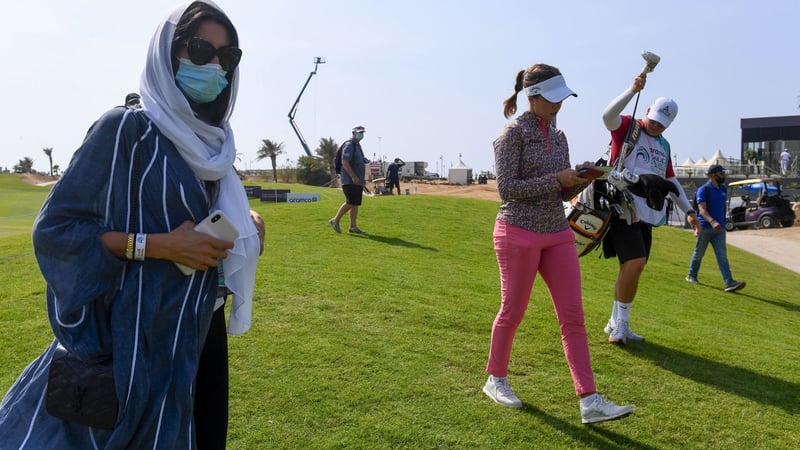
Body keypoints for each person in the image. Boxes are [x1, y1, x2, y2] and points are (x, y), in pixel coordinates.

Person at [0, 1, 261, 448]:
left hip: (200, 331)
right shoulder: (125, 129)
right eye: (200, 50)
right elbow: (56, 231)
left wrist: (248, 225)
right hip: (133, 341)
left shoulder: (214, 144)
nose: (215, 65)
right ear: (168, 52)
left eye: (227, 57)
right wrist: (157, 246)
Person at [483, 63, 633, 424]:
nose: (558, 106)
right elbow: (507, 190)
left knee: (573, 316)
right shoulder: (511, 135)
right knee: (513, 311)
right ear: (531, 98)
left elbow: (562, 189)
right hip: (517, 232)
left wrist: (582, 179)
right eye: (552, 100)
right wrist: (556, 178)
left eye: (561, 100)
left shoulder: (559, 135)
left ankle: (589, 399)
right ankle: (496, 379)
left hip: (558, 233)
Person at [600, 72, 700, 345]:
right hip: (623, 206)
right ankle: (621, 324)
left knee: (631, 267)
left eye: (663, 123)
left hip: (649, 211)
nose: (656, 125)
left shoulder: (664, 145)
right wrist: (632, 90)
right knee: (635, 262)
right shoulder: (629, 127)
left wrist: (689, 211)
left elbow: (670, 180)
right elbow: (608, 116)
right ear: (647, 111)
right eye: (655, 119)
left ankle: (616, 322)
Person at [685, 165, 746, 292]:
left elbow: (722, 206)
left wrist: (723, 221)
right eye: (721, 174)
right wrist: (713, 222)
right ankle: (691, 275)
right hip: (706, 227)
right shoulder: (704, 190)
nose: (724, 176)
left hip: (720, 229)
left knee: (722, 256)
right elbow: (702, 210)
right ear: (713, 175)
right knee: (699, 253)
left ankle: (729, 282)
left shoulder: (723, 189)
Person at [329, 125, 370, 234]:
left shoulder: (357, 145)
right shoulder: (349, 145)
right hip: (349, 180)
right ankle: (335, 220)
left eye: (362, 132)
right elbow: (345, 162)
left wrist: (361, 179)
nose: (361, 134)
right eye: (359, 132)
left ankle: (353, 226)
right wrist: (353, 176)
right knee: (351, 202)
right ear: (353, 133)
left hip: (357, 180)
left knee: (355, 203)